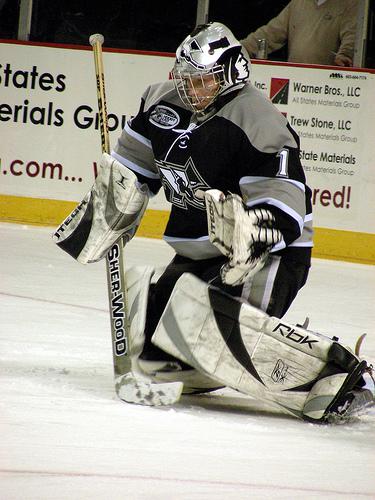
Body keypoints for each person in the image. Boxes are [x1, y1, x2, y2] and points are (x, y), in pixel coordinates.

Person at [54, 22, 372, 422]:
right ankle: (210, 350)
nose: (191, 89)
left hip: (269, 257)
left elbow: (286, 212)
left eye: (203, 80)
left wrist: (250, 235)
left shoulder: (260, 121)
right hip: (196, 251)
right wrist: (110, 203)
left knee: (203, 323)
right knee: (150, 345)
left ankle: (340, 375)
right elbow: (132, 172)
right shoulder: (160, 101)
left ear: (232, 74)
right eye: (186, 78)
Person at [240, 0, 360, 66]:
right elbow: (270, 33)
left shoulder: (350, 4)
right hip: (295, 80)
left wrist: (345, 55)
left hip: (326, 85)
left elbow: (352, 38)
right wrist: (236, 48)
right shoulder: (298, 3)